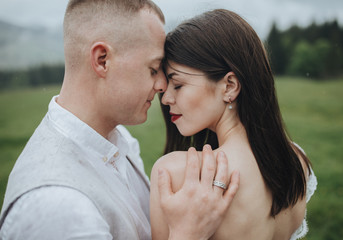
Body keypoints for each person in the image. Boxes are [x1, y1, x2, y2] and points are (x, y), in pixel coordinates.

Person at [0, 2, 241, 239]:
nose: (161, 86)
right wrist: (188, 234)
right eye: (153, 68)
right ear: (102, 60)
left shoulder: (117, 138)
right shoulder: (57, 206)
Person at [150, 9, 317, 240]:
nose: (166, 98)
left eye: (177, 85)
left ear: (229, 86)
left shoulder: (176, 173)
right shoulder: (295, 160)